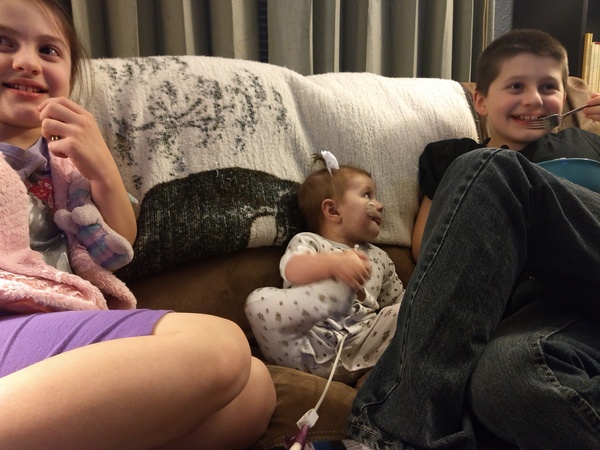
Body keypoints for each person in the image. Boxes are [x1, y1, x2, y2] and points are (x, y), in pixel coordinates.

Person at [0, 1, 275, 449]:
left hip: (66, 323)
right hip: (10, 323)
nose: (27, 62)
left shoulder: (65, 166)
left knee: (254, 391)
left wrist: (103, 170)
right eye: (3, 42)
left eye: (49, 50)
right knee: (220, 346)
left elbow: (114, 248)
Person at [340, 28, 600, 450]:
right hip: (547, 319)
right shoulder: (454, 157)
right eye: (516, 86)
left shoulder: (586, 142)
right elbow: (433, 251)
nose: (534, 99)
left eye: (548, 87)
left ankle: (388, 438)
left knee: (493, 169)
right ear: (480, 100)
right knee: (508, 378)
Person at [245, 154, 405, 383]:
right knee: (257, 302)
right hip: (306, 344)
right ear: (333, 211)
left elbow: (397, 301)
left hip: (363, 345)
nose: (380, 205)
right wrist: (334, 265)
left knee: (410, 309)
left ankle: (341, 298)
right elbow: (292, 269)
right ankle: (334, 299)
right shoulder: (310, 242)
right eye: (367, 194)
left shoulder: (381, 258)